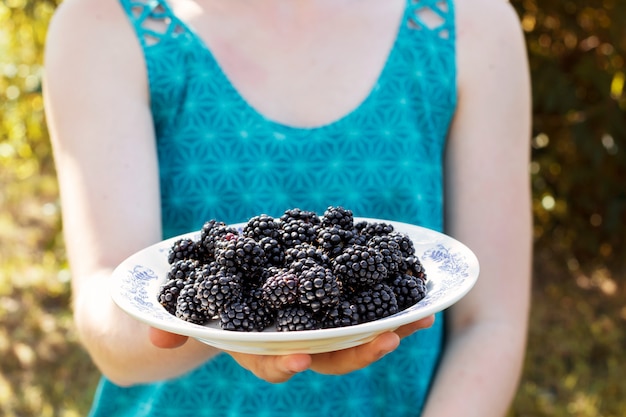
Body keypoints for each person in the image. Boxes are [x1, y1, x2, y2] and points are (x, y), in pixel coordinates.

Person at [43, 0, 532, 415]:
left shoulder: (471, 23)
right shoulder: (103, 22)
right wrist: (227, 317)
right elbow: (110, 308)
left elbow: (489, 324)